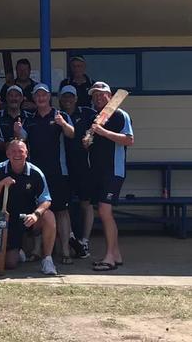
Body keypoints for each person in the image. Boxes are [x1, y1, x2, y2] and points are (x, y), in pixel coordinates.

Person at [0, 139, 58, 275]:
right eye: (13, 151)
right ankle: (18, 251)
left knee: (49, 216)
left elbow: (46, 200)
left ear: (26, 153)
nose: (17, 154)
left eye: (21, 151)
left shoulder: (36, 173)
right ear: (7, 154)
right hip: (6, 221)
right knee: (9, 264)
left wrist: (36, 214)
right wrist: (2, 184)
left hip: (29, 219)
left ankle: (47, 260)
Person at [22, 83, 75, 265]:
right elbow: (21, 140)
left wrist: (63, 124)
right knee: (37, 211)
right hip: (37, 173)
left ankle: (65, 250)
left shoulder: (61, 115)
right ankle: (37, 250)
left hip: (59, 171)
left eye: (44, 95)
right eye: (37, 95)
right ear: (34, 98)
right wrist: (17, 132)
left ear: (49, 97)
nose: (41, 98)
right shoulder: (29, 119)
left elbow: (72, 134)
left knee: (62, 211)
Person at [85, 81, 134, 272]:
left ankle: (109, 258)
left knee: (105, 212)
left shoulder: (121, 115)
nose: (98, 97)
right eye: (94, 95)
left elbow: (129, 140)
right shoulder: (95, 117)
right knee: (104, 212)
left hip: (114, 171)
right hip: (98, 171)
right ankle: (116, 254)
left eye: (101, 94)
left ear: (110, 95)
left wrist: (103, 132)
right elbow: (91, 142)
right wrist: (88, 140)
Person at [59, 85, 97, 259]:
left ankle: (85, 240)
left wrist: (90, 136)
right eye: (64, 97)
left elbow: (99, 125)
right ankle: (71, 238)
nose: (68, 100)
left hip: (84, 165)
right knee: (64, 206)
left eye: (70, 96)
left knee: (85, 203)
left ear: (76, 98)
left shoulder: (88, 113)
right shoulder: (58, 116)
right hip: (65, 167)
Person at [0, 85, 29, 163]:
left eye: (17, 96)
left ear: (21, 98)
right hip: (1, 163)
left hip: (23, 163)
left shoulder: (29, 117)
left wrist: (18, 135)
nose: (14, 99)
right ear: (6, 98)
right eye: (11, 95)